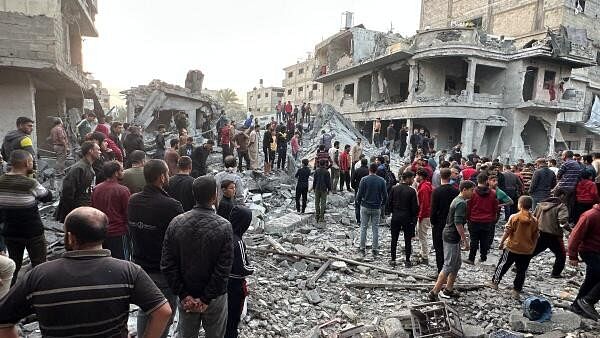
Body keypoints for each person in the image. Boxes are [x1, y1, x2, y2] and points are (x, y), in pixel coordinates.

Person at [0, 207, 172, 338]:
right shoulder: (128, 271)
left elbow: (3, 322)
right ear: (103, 235)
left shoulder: (38, 275)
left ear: (70, 238)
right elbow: (163, 311)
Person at [161, 176, 233, 338]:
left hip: (187, 295)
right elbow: (223, 269)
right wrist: (206, 299)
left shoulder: (176, 222)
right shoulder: (224, 226)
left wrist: (184, 295)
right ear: (214, 196)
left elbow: (167, 264)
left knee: (186, 334)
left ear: (194, 195)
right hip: (215, 298)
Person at [129, 159, 184, 338]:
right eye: (167, 173)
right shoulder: (171, 205)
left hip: (139, 265)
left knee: (146, 308)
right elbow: (180, 238)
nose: (168, 176)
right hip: (163, 269)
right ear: (162, 177)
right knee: (164, 311)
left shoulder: (133, 200)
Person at [0, 150, 52, 286]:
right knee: (39, 267)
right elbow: (47, 196)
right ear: (26, 163)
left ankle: (8, 296)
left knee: (13, 267)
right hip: (33, 233)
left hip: (10, 233)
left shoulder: (1, 181)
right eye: (31, 161)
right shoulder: (29, 183)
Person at [428, 180, 475, 301]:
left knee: (457, 263)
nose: (472, 193)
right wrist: (465, 240)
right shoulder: (461, 203)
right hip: (451, 236)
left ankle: (449, 289)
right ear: (464, 190)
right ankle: (434, 292)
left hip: (450, 234)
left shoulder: (458, 200)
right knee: (448, 265)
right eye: (471, 190)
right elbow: (458, 223)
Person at [487, 196, 539, 300]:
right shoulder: (534, 220)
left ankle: (495, 283)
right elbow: (536, 236)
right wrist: (532, 247)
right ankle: (516, 290)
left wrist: (501, 242)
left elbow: (507, 231)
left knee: (503, 265)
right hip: (526, 250)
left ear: (520, 205)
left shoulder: (514, 217)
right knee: (521, 271)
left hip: (512, 247)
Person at [91, 161, 130, 260]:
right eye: (121, 170)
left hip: (101, 231)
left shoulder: (96, 189)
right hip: (118, 233)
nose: (123, 172)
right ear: (116, 173)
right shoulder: (123, 190)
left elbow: (93, 209)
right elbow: (127, 213)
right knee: (121, 262)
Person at [568, 202, 600, 320]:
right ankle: (588, 301)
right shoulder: (590, 215)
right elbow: (575, 235)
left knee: (591, 279)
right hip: (589, 251)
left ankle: (576, 305)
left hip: (596, 251)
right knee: (593, 278)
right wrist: (572, 255)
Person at [226, 206, 254, 338]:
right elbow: (243, 267)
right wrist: (252, 269)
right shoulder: (239, 242)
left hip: (221, 282)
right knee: (233, 319)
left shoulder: (225, 234)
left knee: (223, 318)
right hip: (235, 285)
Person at [55, 141, 99, 222]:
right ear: (90, 151)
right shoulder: (79, 168)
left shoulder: (88, 167)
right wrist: (73, 210)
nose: (100, 152)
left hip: (84, 208)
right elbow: (67, 191)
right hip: (77, 210)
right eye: (98, 149)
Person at [464, 173, 499, 265]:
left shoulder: (473, 193)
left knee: (474, 239)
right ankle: (483, 256)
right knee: (485, 239)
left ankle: (471, 258)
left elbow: (469, 206)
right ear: (487, 181)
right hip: (487, 220)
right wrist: (494, 217)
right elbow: (495, 207)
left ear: (477, 181)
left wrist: (467, 218)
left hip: (474, 219)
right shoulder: (493, 193)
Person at [531, 192, 569, 278]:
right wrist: (569, 232)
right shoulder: (561, 206)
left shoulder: (540, 204)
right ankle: (556, 273)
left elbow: (534, 217)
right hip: (554, 235)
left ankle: (519, 265)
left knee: (532, 251)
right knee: (561, 255)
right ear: (562, 195)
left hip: (540, 233)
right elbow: (562, 221)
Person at [430, 168, 460, 273]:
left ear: (440, 177)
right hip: (451, 223)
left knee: (439, 247)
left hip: (439, 222)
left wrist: (432, 222)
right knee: (450, 248)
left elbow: (433, 209)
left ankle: (440, 270)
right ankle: (449, 270)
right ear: (450, 176)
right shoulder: (456, 191)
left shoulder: (436, 191)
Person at [387, 170, 419, 267]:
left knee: (394, 238)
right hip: (407, 218)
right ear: (408, 178)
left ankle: (393, 259)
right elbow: (415, 208)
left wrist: (393, 212)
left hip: (396, 216)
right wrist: (414, 220)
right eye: (412, 178)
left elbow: (389, 203)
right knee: (407, 239)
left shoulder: (394, 188)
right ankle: (408, 260)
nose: (413, 180)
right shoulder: (412, 191)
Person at [356, 163, 388, 257]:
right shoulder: (381, 180)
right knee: (375, 229)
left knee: (363, 227)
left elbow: (359, 194)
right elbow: (385, 196)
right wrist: (381, 205)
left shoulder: (364, 179)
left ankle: (362, 248)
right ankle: (375, 249)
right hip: (376, 207)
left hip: (365, 206)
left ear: (369, 169)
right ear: (376, 170)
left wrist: (359, 202)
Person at [556, 150, 583, 222]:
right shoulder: (577, 164)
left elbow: (558, 176)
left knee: (555, 201)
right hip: (573, 188)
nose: (561, 156)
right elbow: (579, 176)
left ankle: (556, 217)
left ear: (565, 156)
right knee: (569, 205)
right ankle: (567, 220)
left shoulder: (565, 164)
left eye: (562, 155)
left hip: (563, 187)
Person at [416, 168, 433, 263]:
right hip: (426, 214)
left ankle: (425, 256)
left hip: (424, 214)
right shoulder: (426, 185)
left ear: (421, 176)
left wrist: (420, 215)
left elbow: (424, 203)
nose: (415, 177)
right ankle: (422, 252)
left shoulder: (424, 188)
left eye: (417, 175)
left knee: (422, 235)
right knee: (422, 234)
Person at [352, 158, 370, 223]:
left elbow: (352, 179)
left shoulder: (357, 170)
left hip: (358, 189)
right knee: (366, 205)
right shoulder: (368, 171)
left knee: (357, 205)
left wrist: (354, 187)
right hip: (367, 190)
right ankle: (365, 220)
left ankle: (358, 220)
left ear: (361, 163)